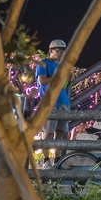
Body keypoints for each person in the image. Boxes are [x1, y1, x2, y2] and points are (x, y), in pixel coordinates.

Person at [35, 39, 72, 167]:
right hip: (48, 100)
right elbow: (42, 80)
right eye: (58, 50)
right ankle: (46, 161)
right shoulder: (43, 63)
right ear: (50, 50)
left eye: (63, 50)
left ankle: (58, 161)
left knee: (61, 132)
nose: (61, 53)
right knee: (48, 132)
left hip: (63, 99)